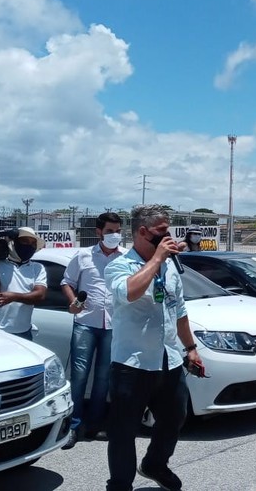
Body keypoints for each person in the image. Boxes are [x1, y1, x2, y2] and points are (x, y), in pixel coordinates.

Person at [104, 205, 205, 491]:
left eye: (169, 232)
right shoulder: (120, 264)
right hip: (132, 364)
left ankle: (155, 464)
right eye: (161, 233)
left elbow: (179, 309)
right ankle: (120, 484)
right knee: (123, 431)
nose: (168, 238)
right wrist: (157, 259)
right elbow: (129, 292)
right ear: (143, 232)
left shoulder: (170, 264)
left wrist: (191, 348)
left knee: (175, 417)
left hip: (168, 359)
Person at [60, 212, 125, 450]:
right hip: (85, 323)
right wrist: (73, 301)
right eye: (109, 231)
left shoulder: (125, 257)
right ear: (99, 232)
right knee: (78, 377)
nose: (114, 235)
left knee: (103, 378)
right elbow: (67, 282)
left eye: (117, 231)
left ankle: (94, 424)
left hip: (114, 325)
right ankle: (74, 427)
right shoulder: (83, 255)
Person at [0, 227, 47, 340]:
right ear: (13, 242)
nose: (29, 246)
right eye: (25, 241)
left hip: (24, 332)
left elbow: (40, 295)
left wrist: (14, 297)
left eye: (32, 244)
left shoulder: (37, 268)